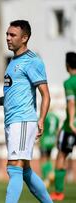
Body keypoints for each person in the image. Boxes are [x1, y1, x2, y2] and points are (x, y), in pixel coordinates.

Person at [0, 20, 52, 203]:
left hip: (23, 120)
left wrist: (41, 119)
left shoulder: (32, 61)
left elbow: (46, 94)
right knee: (24, 170)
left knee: (13, 167)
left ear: (25, 38)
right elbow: (14, 96)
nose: (8, 38)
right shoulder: (13, 62)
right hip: (12, 121)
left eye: (13, 35)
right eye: (7, 34)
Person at [50, 52, 76, 201]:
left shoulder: (69, 82)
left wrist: (71, 121)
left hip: (70, 127)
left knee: (61, 156)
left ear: (67, 65)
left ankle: (59, 193)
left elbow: (71, 102)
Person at [39, 111, 59, 188]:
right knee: (49, 158)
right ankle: (51, 173)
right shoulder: (56, 117)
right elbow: (57, 130)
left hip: (45, 139)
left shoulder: (45, 116)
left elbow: (41, 126)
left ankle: (46, 177)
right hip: (52, 139)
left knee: (43, 159)